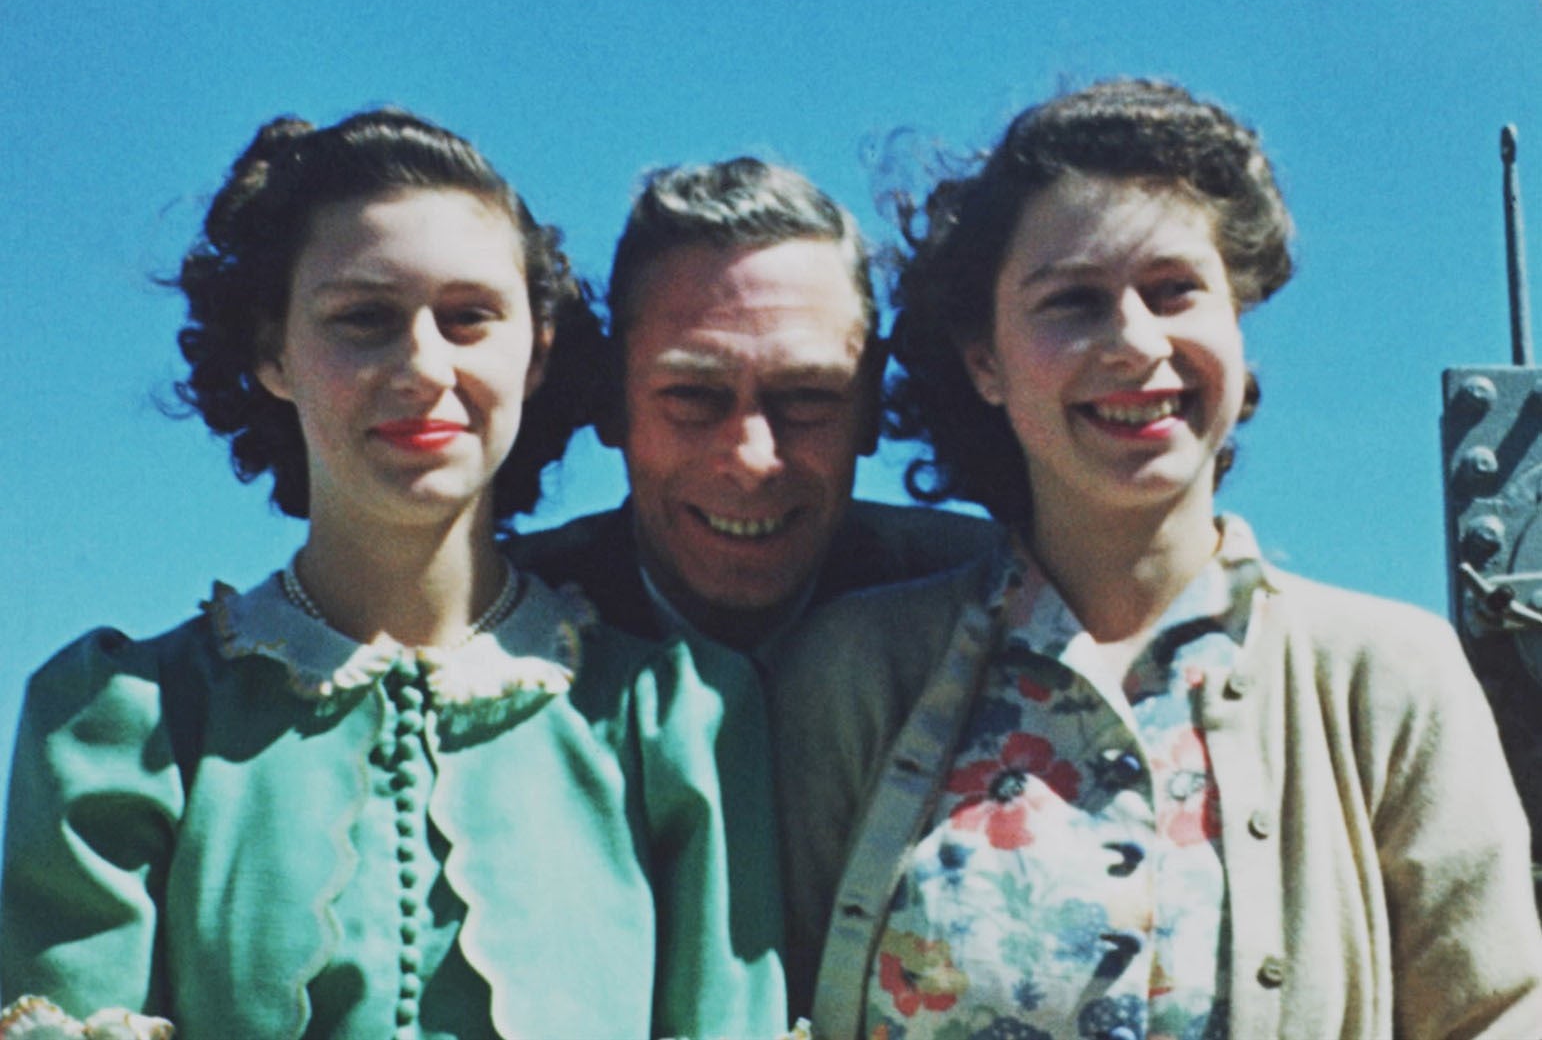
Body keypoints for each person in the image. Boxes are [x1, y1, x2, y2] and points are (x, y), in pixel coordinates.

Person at [773, 79, 1542, 1038]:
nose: (1136, 341)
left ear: (1236, 318)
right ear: (986, 362)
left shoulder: (1389, 677)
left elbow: (1497, 1014)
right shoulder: (854, 675)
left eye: (1174, 290)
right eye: (1073, 302)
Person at [1, 109, 786, 1038]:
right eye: (364, 319)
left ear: (535, 349)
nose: (422, 366)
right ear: (271, 352)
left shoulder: (677, 724)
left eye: (469, 318)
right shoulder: (126, 723)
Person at [506, 157, 1000, 655]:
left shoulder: (1000, 603)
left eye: (807, 397)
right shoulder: (495, 623)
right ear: (611, 401)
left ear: (871, 403)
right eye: (693, 396)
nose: (752, 460)